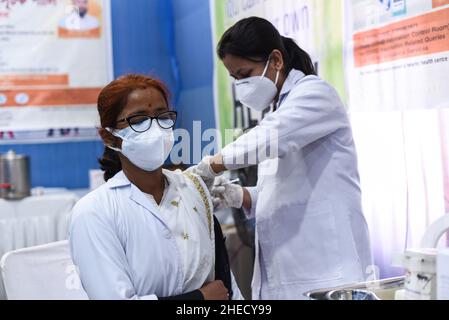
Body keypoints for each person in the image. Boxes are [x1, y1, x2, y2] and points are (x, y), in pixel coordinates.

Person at [191, 17, 373, 300]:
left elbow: (268, 138)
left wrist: (211, 164)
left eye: (245, 73)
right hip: (288, 276)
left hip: (328, 272)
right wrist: (239, 196)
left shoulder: (315, 94)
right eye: (234, 78)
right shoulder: (278, 109)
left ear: (276, 60)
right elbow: (283, 192)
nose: (241, 85)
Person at [69, 74, 242, 300]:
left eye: (163, 116)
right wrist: (199, 300)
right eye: (138, 120)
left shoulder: (193, 190)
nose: (155, 128)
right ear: (109, 137)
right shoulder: (94, 212)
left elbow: (225, 285)